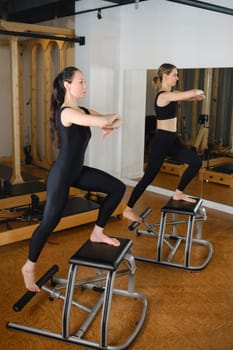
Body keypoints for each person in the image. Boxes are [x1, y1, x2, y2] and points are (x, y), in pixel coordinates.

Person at [22, 66, 126, 292]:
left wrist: (109, 123)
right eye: (81, 81)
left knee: (118, 188)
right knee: (50, 222)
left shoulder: (84, 111)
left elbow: (118, 120)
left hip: (77, 171)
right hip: (61, 176)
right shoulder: (67, 112)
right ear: (67, 85)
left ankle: (98, 231)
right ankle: (29, 266)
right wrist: (105, 122)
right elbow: (108, 119)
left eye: (85, 81)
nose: (85, 85)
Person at [123, 63, 204, 223]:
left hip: (172, 140)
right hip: (160, 141)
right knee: (148, 177)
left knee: (196, 162)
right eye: (175, 74)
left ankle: (178, 192)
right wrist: (196, 92)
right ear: (165, 76)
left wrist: (196, 97)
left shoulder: (171, 94)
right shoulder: (163, 96)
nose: (177, 77)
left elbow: (191, 96)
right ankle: (128, 209)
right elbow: (192, 93)